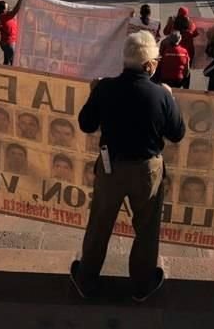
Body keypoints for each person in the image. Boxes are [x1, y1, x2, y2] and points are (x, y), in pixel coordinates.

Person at [71, 31, 185, 302]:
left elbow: (86, 124)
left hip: (111, 167)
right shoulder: (160, 94)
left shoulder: (106, 88)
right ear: (149, 65)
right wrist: (171, 98)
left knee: (99, 222)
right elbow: (177, 133)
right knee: (146, 227)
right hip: (147, 169)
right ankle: (142, 284)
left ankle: (86, 280)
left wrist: (94, 93)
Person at [0, 0, 23, 66]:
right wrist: (20, 0)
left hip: (5, 42)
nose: (8, 7)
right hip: (9, 43)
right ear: (3, 10)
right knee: (13, 62)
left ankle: (3, 74)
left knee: (6, 61)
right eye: (7, 6)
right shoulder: (4, 16)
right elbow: (14, 11)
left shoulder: (0, 16)